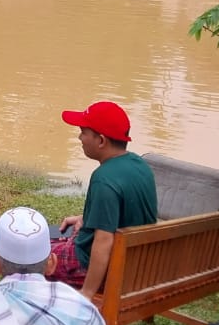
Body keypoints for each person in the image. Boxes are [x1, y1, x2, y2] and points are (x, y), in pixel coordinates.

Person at [48, 101, 157, 299]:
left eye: (83, 132)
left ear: (101, 140)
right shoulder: (140, 165)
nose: (79, 137)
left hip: (96, 266)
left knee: (28, 252)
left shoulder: (104, 178)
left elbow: (104, 240)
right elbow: (127, 213)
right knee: (45, 234)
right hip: (134, 263)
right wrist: (88, 218)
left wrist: (88, 292)